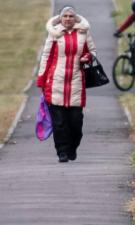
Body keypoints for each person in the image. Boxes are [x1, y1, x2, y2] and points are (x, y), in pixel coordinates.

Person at [36, 6, 96, 162]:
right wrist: (41, 79)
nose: (68, 18)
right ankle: (62, 152)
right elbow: (46, 57)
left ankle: (72, 148)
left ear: (75, 18)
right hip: (55, 83)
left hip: (76, 83)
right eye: (65, 16)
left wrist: (87, 57)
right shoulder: (54, 33)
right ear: (60, 18)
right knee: (60, 123)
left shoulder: (83, 32)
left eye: (71, 16)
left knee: (76, 123)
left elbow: (93, 51)